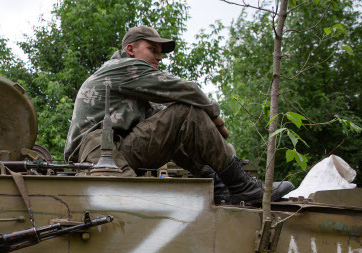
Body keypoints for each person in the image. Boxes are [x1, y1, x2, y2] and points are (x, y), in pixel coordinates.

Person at [64, 25, 293, 205]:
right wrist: (216, 118)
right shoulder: (123, 68)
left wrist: (212, 159)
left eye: (160, 52)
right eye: (152, 50)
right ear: (130, 49)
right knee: (185, 111)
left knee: (183, 121)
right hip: (95, 154)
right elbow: (188, 90)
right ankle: (243, 186)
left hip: (114, 149)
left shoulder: (135, 91)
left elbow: (174, 129)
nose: (159, 57)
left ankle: (223, 187)